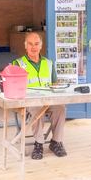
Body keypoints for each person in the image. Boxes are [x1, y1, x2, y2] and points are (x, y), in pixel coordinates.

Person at [13, 32, 67, 160]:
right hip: (30, 103)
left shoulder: (49, 63)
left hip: (48, 101)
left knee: (61, 108)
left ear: (41, 46)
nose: (33, 47)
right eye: (30, 44)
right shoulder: (18, 64)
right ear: (25, 46)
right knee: (38, 110)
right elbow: (14, 88)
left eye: (36, 44)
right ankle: (39, 144)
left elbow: (55, 85)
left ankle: (56, 142)